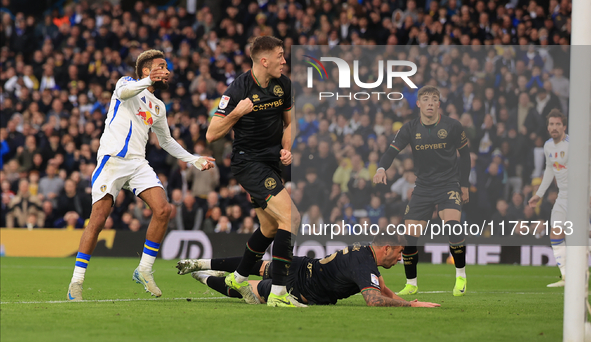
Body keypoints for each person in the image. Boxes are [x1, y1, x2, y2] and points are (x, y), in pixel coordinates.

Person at [67, 50, 215, 301]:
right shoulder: (125, 83)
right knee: (99, 219)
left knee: (164, 209)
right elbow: (125, 93)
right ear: (146, 71)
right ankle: (76, 282)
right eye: (161, 66)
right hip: (112, 160)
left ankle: (144, 269)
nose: (166, 71)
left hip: (137, 163)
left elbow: (166, 141)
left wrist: (194, 159)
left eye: (167, 67)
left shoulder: (158, 106)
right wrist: (147, 81)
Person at [205, 36, 299, 307]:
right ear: (264, 60)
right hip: (248, 163)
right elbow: (212, 134)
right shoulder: (237, 90)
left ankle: (237, 276)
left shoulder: (283, 84)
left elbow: (290, 123)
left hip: (271, 162)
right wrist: (236, 113)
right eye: (280, 56)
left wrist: (286, 147)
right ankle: (279, 294)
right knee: (292, 218)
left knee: (270, 227)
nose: (284, 61)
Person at [373, 86, 470, 297]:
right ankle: (411, 283)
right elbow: (391, 151)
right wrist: (381, 168)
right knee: (409, 237)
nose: (430, 103)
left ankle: (461, 276)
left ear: (438, 104)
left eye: (434, 99)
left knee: (453, 227)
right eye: (425, 99)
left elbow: (466, 155)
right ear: (418, 104)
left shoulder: (452, 126)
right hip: (423, 186)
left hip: (448, 184)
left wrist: (464, 185)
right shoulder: (409, 128)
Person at [176, 233, 440, 308]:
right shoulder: (364, 263)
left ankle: (203, 265)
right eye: (399, 253)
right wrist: (413, 307)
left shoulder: (363, 252)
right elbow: (373, 299)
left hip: (302, 266)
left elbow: (381, 288)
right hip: (301, 289)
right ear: (385, 249)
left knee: (254, 266)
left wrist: (409, 300)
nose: (400, 258)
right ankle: (204, 277)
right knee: (248, 292)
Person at [527, 109, 569, 287]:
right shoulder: (548, 146)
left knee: (583, 236)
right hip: (563, 196)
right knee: (555, 233)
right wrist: (539, 194)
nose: (554, 127)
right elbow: (550, 170)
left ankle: (580, 273)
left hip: (580, 194)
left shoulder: (573, 144)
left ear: (564, 126)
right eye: (551, 124)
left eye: (558, 124)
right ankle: (567, 276)